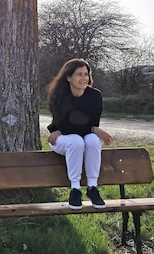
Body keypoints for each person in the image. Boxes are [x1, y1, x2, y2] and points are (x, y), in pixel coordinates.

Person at [47, 58, 113, 210]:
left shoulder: (95, 96)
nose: (84, 78)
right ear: (68, 77)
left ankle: (92, 188)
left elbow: (91, 123)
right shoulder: (59, 95)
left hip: (70, 134)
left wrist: (91, 130)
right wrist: (92, 129)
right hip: (60, 140)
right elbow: (65, 125)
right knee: (76, 141)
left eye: (86, 74)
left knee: (93, 141)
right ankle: (75, 189)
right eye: (79, 74)